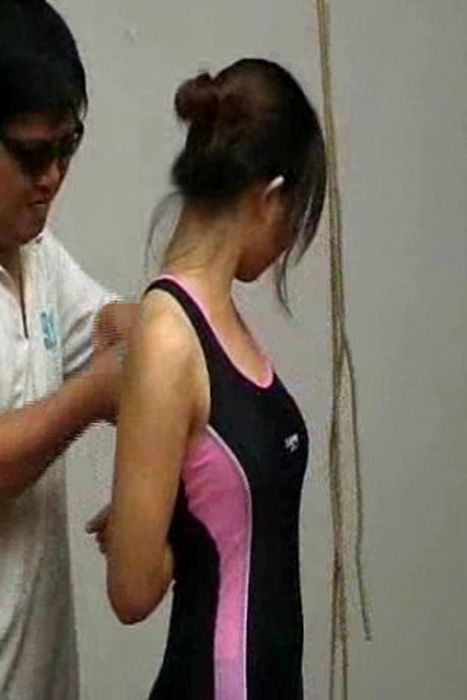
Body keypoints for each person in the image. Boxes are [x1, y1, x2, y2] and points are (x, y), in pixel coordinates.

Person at [90, 58, 327, 698]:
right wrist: (156, 522)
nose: (288, 244)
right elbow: (132, 588)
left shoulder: (218, 319)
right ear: (269, 199)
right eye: (295, 218)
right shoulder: (170, 335)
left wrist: (167, 511)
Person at [0, 1, 135, 698]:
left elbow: (118, 332)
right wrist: (93, 395)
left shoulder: (36, 256)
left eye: (67, 148)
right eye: (31, 154)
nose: (52, 176)